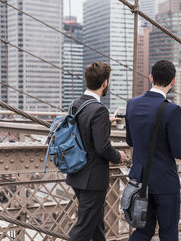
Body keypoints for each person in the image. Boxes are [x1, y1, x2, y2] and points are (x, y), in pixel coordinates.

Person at [125, 60, 181, 241]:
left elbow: (130, 140)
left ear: (151, 77)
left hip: (139, 180)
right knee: (168, 233)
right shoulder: (172, 110)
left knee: (143, 231)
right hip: (164, 183)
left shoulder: (132, 104)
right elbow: (179, 152)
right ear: (173, 81)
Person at [66, 62, 126, 241]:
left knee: (96, 224)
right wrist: (119, 156)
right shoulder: (99, 110)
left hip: (77, 173)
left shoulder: (76, 104)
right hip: (93, 179)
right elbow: (102, 147)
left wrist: (105, 122)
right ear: (105, 83)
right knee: (83, 229)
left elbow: (84, 130)